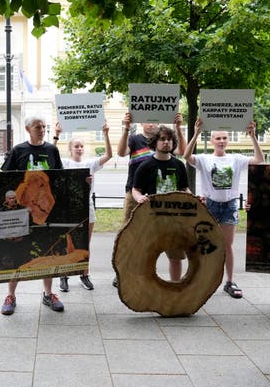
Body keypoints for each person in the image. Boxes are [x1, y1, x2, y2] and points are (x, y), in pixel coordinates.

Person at [0, 115, 65, 315]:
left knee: (46, 253)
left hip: (42, 215)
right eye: (38, 126)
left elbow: (61, 176)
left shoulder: (52, 150)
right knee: (16, 253)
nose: (42, 129)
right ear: (28, 129)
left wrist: (83, 181)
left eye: (44, 126)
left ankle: (48, 293)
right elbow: (4, 178)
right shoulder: (19, 150)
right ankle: (11, 296)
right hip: (19, 217)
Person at [184, 117, 264, 298]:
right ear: (212, 140)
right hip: (209, 205)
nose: (221, 141)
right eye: (218, 138)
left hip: (229, 205)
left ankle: (229, 281)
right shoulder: (204, 159)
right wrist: (196, 133)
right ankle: (203, 279)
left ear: (228, 140)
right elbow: (187, 156)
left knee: (227, 245)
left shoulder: (235, 159)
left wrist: (252, 136)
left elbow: (259, 159)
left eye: (224, 138)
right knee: (206, 244)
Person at [113, 111, 186, 286]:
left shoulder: (167, 139)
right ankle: (122, 272)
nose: (150, 124)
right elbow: (121, 152)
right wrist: (125, 128)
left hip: (165, 199)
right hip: (136, 194)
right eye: (146, 120)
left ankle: (171, 282)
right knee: (129, 234)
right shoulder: (135, 139)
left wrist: (178, 128)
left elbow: (181, 151)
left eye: (153, 120)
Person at [53, 121, 113, 291]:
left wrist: (106, 134)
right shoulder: (64, 163)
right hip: (68, 208)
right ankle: (64, 276)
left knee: (84, 244)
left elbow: (109, 155)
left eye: (81, 146)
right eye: (76, 146)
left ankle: (84, 274)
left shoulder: (90, 164)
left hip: (86, 207)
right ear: (70, 149)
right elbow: (51, 155)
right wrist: (56, 135)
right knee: (67, 243)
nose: (79, 148)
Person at [132, 125, 191, 280]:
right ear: (155, 142)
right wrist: (139, 198)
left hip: (175, 221)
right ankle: (149, 291)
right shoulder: (145, 165)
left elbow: (185, 189)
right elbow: (135, 189)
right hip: (153, 220)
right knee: (148, 257)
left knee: (176, 258)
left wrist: (194, 199)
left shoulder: (179, 165)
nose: (167, 142)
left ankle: (175, 289)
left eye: (170, 139)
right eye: (163, 139)